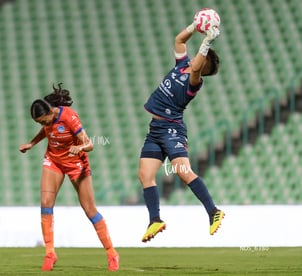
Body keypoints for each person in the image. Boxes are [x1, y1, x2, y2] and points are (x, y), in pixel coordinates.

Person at [138, 21, 225, 242]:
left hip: (172, 131)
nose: (196, 56)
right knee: (145, 175)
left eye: (201, 55)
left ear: (203, 62)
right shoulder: (181, 64)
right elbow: (179, 40)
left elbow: (196, 69)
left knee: (184, 172)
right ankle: (155, 220)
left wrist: (207, 41)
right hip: (155, 130)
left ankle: (213, 211)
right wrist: (195, 25)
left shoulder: (195, 81)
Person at [19, 83, 119, 271]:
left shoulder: (69, 117)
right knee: (46, 203)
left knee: (89, 210)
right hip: (54, 161)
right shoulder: (48, 121)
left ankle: (112, 253)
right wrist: (32, 143)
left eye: (44, 121)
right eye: (40, 123)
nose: (44, 125)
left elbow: (89, 144)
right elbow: (46, 131)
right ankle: (50, 253)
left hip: (76, 164)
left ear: (50, 112)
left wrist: (79, 147)